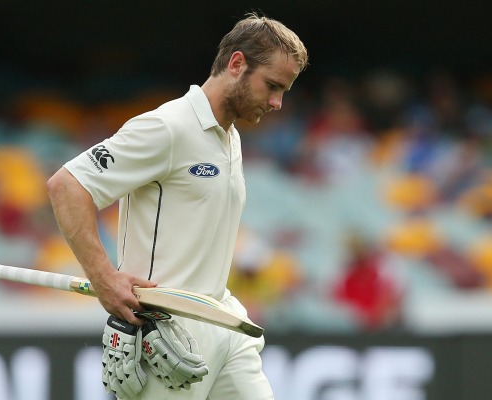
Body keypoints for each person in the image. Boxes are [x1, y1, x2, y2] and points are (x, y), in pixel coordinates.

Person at [47, 12, 308, 400]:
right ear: (236, 64)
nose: (277, 102)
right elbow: (67, 185)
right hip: (166, 335)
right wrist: (104, 279)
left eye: (283, 90)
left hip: (223, 320)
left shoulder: (229, 136)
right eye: (272, 86)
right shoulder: (167, 127)